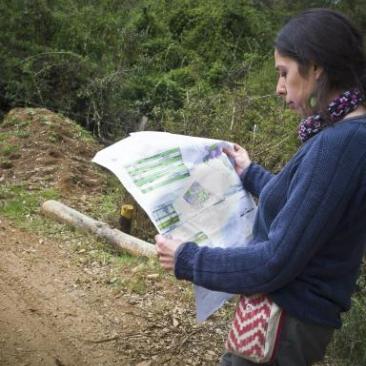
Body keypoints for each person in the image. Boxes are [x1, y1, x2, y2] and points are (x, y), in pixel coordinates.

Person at [155, 8, 366, 366]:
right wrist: (250, 172)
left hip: (283, 326)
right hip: (289, 325)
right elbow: (301, 211)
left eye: (284, 73)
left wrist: (188, 259)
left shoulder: (340, 143)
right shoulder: (344, 136)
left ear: (315, 67)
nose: (279, 88)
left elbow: (274, 261)